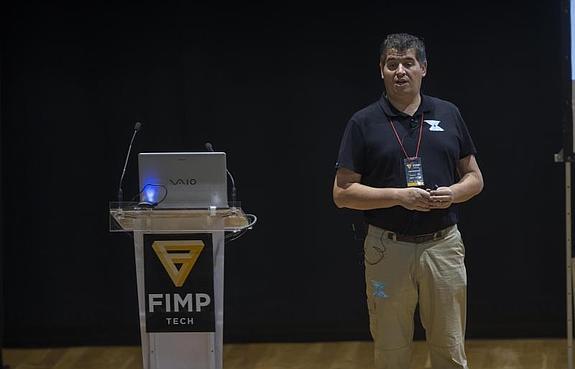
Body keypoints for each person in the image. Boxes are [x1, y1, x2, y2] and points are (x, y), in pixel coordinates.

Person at [333, 33, 483, 369]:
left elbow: (475, 178)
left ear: (423, 68)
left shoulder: (448, 113)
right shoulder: (363, 122)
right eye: (392, 64)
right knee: (391, 350)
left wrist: (453, 194)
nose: (400, 70)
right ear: (381, 70)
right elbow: (342, 194)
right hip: (387, 249)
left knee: (449, 347)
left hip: (442, 247)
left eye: (408, 63)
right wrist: (399, 197)